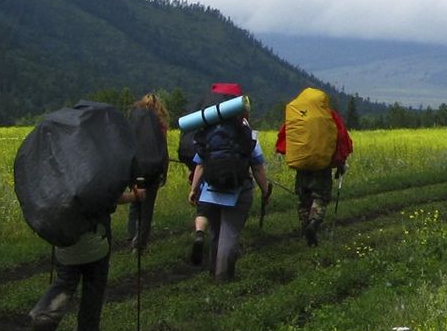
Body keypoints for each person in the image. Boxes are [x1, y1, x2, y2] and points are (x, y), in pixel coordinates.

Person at [30, 182, 145, 331]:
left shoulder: (58, 164)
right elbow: (109, 196)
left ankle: (44, 314)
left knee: (65, 282)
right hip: (95, 235)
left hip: (64, 236)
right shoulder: (96, 166)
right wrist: (135, 196)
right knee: (94, 285)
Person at [187, 83, 271, 280]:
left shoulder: (208, 133)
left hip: (212, 188)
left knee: (216, 231)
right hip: (238, 188)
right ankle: (223, 278)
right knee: (230, 232)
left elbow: (200, 164)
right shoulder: (245, 133)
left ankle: (212, 271)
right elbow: (257, 166)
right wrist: (265, 189)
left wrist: (194, 189)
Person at [276, 88, 353, 246]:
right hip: (322, 166)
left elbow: (286, 136)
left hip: (302, 165)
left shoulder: (298, 115)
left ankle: (306, 230)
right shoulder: (329, 115)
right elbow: (341, 139)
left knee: (304, 198)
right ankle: (313, 224)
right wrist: (341, 161)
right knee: (320, 197)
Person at [127, 92, 171, 251]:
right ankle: (140, 244)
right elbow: (163, 152)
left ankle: (131, 235)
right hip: (152, 171)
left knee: (134, 202)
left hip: (136, 168)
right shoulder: (159, 125)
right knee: (147, 208)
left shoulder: (134, 121)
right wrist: (163, 172)